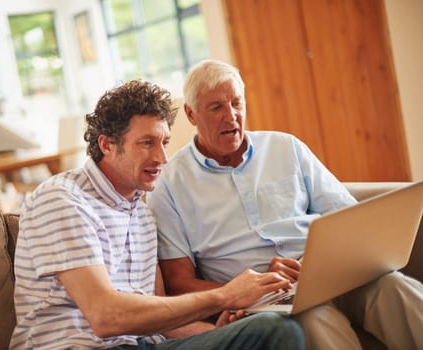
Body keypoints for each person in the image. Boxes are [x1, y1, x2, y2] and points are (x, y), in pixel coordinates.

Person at [147, 59, 423, 350]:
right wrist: (247, 289)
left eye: (236, 103)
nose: (231, 116)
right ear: (191, 114)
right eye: (216, 108)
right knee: (316, 321)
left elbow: (349, 216)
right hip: (271, 298)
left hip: (331, 272)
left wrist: (333, 259)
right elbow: (179, 284)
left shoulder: (286, 147)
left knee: (394, 287)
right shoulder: (169, 183)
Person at [9, 80, 305, 350]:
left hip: (143, 346)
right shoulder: (63, 200)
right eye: (147, 143)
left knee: (272, 329)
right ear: (107, 145)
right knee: (273, 332)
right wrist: (224, 295)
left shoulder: (142, 214)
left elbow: (162, 317)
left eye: (164, 142)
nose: (163, 158)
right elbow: (105, 317)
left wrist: (215, 329)